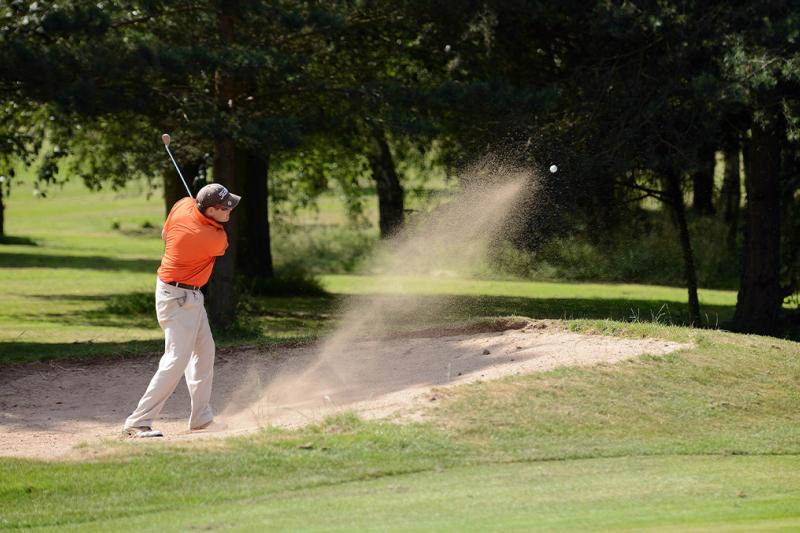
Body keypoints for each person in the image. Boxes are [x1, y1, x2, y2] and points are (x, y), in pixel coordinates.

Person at [122, 183, 241, 438]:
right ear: (210, 210)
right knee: (176, 360)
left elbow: (166, 234)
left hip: (187, 294)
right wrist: (203, 226)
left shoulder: (183, 204)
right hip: (178, 299)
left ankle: (201, 417)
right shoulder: (213, 237)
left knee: (205, 351)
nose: (230, 209)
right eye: (226, 207)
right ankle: (138, 421)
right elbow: (221, 247)